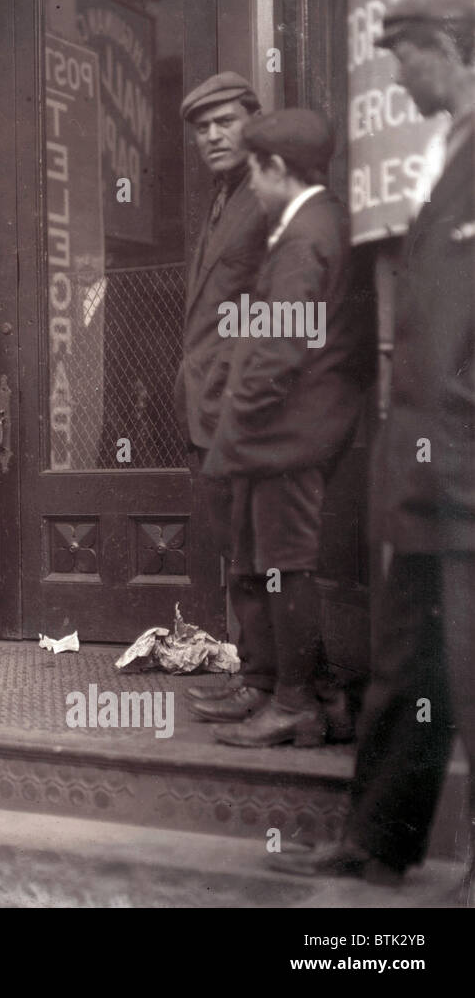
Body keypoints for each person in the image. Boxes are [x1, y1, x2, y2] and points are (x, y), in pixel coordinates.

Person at [269, 0, 475, 893]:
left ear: (448, 51)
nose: (397, 79)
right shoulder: (449, 157)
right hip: (427, 472)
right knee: (406, 661)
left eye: (406, 60)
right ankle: (379, 840)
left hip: (467, 464)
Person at [201, 109, 368, 748]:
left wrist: (235, 421)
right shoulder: (320, 225)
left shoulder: (305, 234)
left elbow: (280, 345)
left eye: (256, 174)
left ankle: (297, 702)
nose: (255, 189)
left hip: (284, 436)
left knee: (283, 564)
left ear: (275, 169)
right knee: (269, 560)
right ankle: (296, 691)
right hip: (289, 432)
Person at [171, 72, 276, 722]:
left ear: (254, 122)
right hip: (209, 410)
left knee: (262, 551)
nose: (212, 135)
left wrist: (237, 388)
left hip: (242, 408)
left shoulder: (266, 198)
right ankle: (257, 675)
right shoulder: (223, 198)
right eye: (202, 127)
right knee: (238, 547)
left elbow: (273, 310)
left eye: (225, 122)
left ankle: (272, 685)